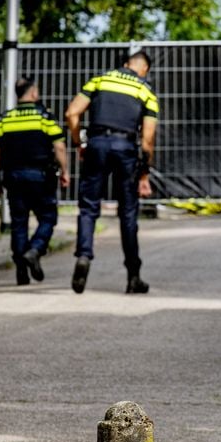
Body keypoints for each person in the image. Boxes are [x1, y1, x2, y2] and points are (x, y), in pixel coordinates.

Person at [64, 49, 159, 294]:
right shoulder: (145, 91)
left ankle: (84, 256)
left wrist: (79, 144)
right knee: (128, 214)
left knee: (88, 207)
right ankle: (133, 276)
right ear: (144, 70)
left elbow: (72, 113)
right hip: (125, 148)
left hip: (96, 144)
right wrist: (144, 174)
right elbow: (147, 140)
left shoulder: (100, 80)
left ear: (126, 64)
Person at [0, 77, 70, 286]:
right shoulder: (45, 118)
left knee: (19, 223)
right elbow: (59, 147)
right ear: (33, 93)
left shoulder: (4, 120)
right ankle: (35, 250)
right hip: (40, 177)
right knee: (48, 218)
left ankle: (21, 271)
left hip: (13, 177)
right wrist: (65, 171)